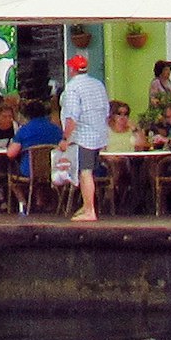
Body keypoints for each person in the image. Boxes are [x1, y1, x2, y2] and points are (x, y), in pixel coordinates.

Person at [60, 54, 116, 223]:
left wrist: (65, 138)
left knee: (85, 173)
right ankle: (86, 205)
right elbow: (106, 110)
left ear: (72, 70)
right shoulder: (98, 84)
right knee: (88, 172)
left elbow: (72, 117)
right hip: (99, 134)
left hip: (84, 135)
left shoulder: (73, 88)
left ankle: (90, 210)